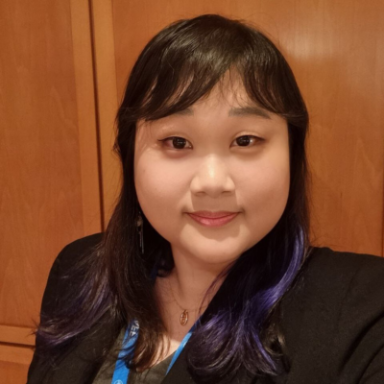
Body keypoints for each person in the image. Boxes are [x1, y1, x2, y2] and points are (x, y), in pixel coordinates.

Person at [27, 14, 384, 384]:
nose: (212, 183)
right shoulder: (81, 270)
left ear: (292, 155)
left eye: (245, 140)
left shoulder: (362, 306)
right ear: (131, 156)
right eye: (177, 142)